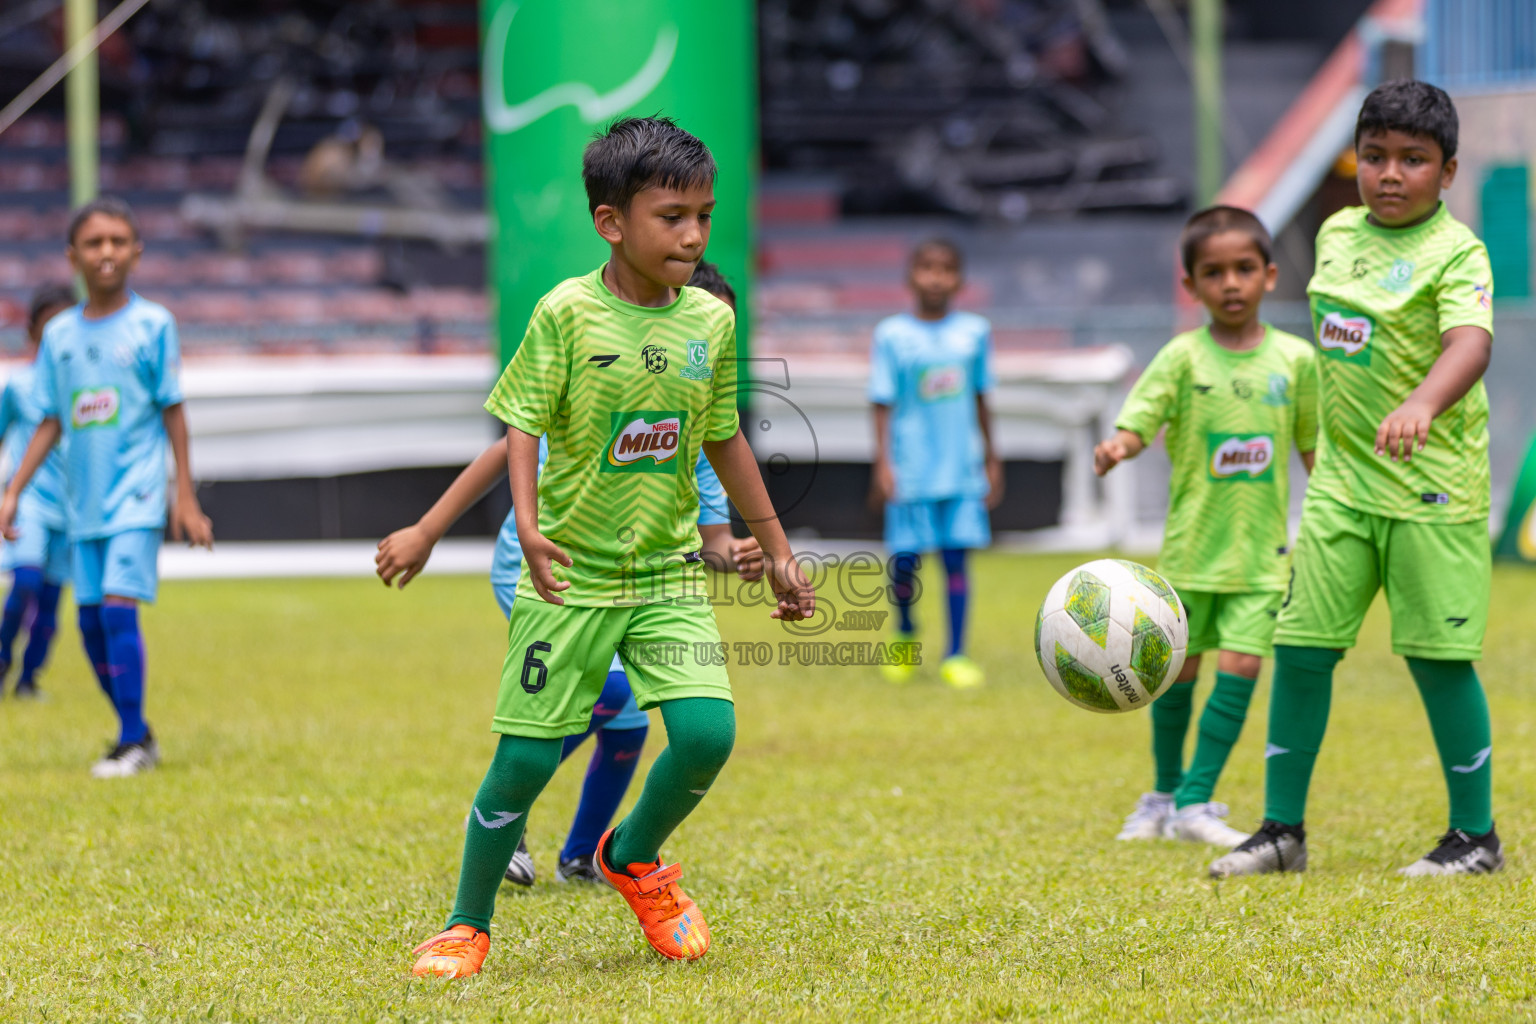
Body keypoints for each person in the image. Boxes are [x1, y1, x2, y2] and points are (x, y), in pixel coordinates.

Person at [408, 116, 813, 978]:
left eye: (703, 214)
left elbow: (725, 439)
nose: (694, 234)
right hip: (574, 579)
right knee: (523, 759)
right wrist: (526, 521)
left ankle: (629, 855)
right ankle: (466, 924)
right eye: (672, 216)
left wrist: (774, 547)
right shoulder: (564, 312)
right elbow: (519, 422)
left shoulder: (710, 318)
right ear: (611, 222)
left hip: (666, 575)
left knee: (707, 735)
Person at [378, 263, 764, 887]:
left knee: (633, 720)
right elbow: (507, 445)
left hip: (636, 581)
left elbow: (712, 545)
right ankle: (514, 808)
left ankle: (585, 854)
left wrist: (746, 554)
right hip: (540, 563)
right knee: (611, 698)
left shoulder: (703, 439)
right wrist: (427, 530)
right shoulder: (596, 386)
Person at [1211, 80, 1501, 878]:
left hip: (1431, 490)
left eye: (1414, 160)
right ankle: (1281, 832)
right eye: (1375, 157)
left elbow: (1471, 345)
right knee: (1301, 649)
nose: (1391, 174)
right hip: (1341, 488)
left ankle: (1475, 838)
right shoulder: (1337, 232)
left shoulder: (1458, 251)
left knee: (1439, 660)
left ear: (1446, 172)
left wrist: (1421, 402)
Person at [1095, 206, 1317, 847]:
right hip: (1191, 555)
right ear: (1191, 285)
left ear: (1270, 275)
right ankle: (1162, 796)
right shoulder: (1182, 358)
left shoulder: (1296, 361)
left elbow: (1314, 451)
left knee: (1242, 668)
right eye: (1213, 272)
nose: (1231, 283)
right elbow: (1139, 420)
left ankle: (1195, 800)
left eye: (1244, 269)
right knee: (1177, 675)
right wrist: (1118, 446)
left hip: (1261, 559)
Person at [0, 197, 214, 777]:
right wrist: (14, 488)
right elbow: (49, 418)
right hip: (81, 506)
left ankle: (130, 743)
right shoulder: (61, 336)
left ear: (137, 252)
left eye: (118, 241)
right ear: (73, 256)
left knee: (118, 610)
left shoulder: (153, 324)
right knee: (91, 623)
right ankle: (138, 731)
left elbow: (173, 411)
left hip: (137, 498)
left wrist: (184, 496)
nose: (107, 252)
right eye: (94, 243)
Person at [869, 239, 1002, 690]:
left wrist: (992, 457)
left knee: (956, 561)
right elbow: (882, 402)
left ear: (959, 280)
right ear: (911, 277)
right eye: (926, 267)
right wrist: (883, 463)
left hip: (961, 469)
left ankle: (957, 654)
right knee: (905, 563)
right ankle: (905, 636)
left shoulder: (975, 333)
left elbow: (982, 397)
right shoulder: (892, 335)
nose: (935, 277)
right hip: (912, 469)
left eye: (945, 269)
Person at [0, 283, 77, 698]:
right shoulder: (18, 386)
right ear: (33, 334)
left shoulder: (86, 389)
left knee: (50, 601)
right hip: (30, 501)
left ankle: (29, 679)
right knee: (25, 580)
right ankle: (1, 659)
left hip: (73, 509)